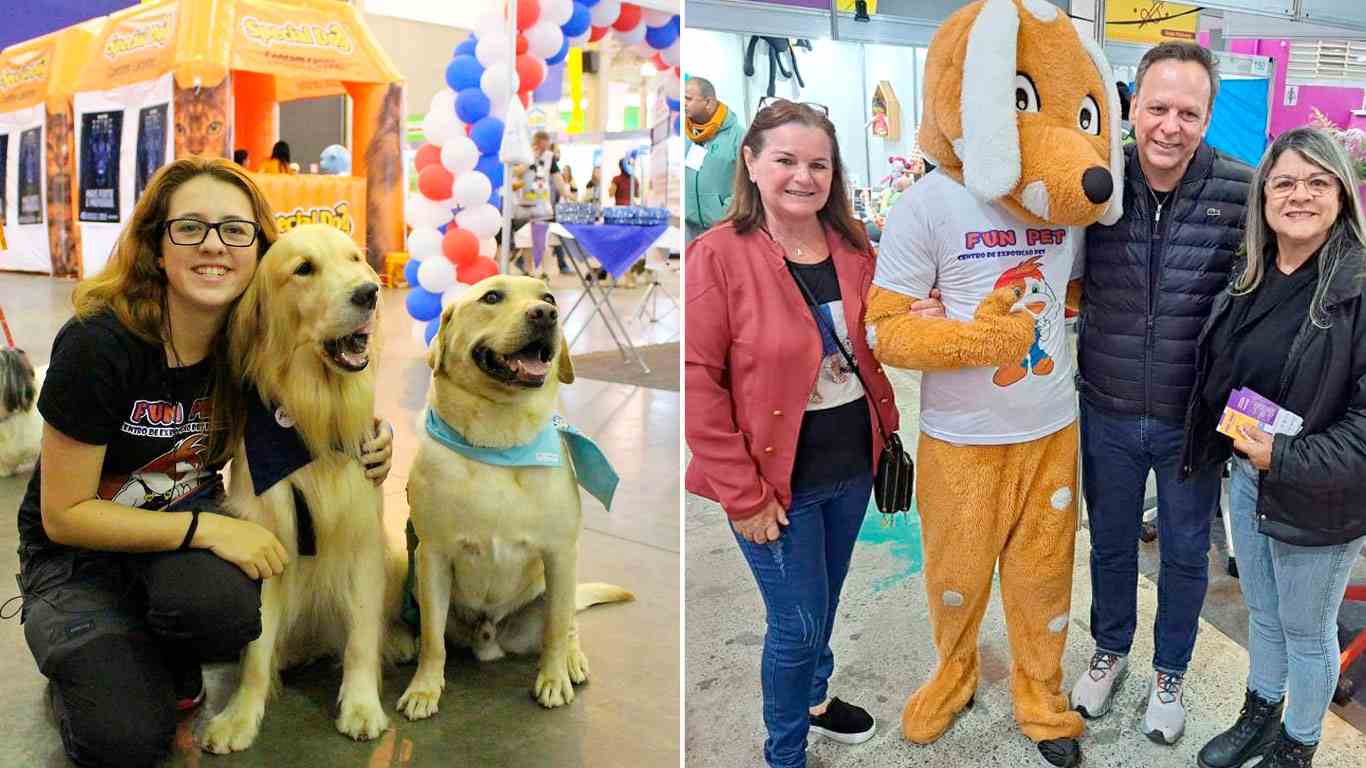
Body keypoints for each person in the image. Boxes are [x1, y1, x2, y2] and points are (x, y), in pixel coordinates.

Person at [14, 157, 395, 767]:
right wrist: (210, 526)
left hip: (169, 541)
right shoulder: (98, 345)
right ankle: (91, 659)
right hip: (79, 556)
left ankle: (148, 648)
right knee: (124, 740)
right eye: (189, 228)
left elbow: (315, 409)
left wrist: (375, 435)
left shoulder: (248, 343)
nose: (213, 245)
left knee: (225, 612)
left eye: (234, 230)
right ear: (155, 247)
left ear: (256, 252)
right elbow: (63, 516)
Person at [685, 99, 899, 768]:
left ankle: (813, 699)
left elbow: (883, 332)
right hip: (774, 479)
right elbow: (697, 381)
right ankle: (785, 753)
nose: (803, 177)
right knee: (797, 622)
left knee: (825, 600)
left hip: (851, 464)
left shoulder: (855, 246)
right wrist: (743, 497)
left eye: (818, 164)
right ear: (750, 162)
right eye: (785, 160)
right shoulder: (717, 255)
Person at [1070, 42, 1253, 745]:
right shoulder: (1096, 185)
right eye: (1157, 107)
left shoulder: (1243, 191)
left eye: (1187, 111)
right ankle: (1110, 647)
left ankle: (1170, 669)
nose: (1169, 125)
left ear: (1207, 117)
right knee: (1110, 546)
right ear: (1132, 108)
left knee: (1183, 554)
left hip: (1191, 422)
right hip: (1107, 409)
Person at [1183, 126, 1366, 768]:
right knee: (1262, 612)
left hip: (1320, 493)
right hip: (1249, 475)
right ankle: (1259, 714)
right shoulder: (1250, 273)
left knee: (1307, 631)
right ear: (1264, 196)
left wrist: (1283, 458)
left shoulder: (1357, 289)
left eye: (1318, 182)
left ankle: (1298, 741)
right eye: (1285, 181)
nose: (1300, 195)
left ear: (1341, 195)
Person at [684, 76, 743, 243]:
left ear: (708, 102)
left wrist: (725, 213)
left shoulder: (738, 136)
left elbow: (745, 184)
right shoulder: (688, 135)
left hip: (723, 228)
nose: (684, 103)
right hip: (690, 228)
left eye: (689, 99)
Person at [510, 131, 570, 276]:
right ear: (535, 143)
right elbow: (515, 173)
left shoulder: (550, 157)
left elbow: (557, 179)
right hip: (523, 206)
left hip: (542, 207)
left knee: (542, 241)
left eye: (546, 147)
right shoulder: (524, 155)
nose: (544, 150)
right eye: (541, 146)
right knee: (525, 241)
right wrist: (531, 158)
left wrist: (566, 194)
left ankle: (542, 272)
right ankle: (528, 270)